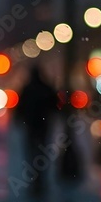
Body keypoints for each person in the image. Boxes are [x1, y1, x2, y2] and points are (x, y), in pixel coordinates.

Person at [15, 64, 60, 194]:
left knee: (31, 152)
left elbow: (20, 108)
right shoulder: (45, 88)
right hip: (42, 125)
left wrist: (20, 119)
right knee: (42, 152)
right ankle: (40, 178)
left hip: (31, 125)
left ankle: (34, 178)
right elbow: (55, 106)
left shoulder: (27, 89)